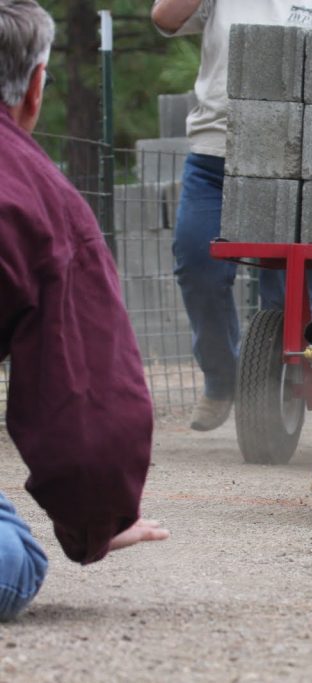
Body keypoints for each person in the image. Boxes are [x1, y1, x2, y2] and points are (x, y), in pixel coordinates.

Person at [0, 0, 168, 621]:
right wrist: (99, 517)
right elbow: (86, 392)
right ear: (36, 85)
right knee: (13, 561)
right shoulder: (40, 200)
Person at [151, 0, 312, 431]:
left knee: (288, 281)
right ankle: (221, 378)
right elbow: (165, 17)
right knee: (196, 261)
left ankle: (274, 394)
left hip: (298, 156)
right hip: (218, 152)